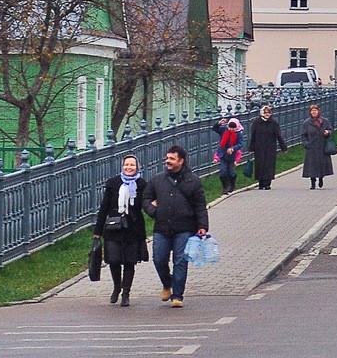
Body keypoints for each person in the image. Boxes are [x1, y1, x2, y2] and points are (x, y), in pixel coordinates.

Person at [143, 144, 208, 308]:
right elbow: (145, 199)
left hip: (184, 228)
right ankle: (167, 283)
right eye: (167, 158)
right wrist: (153, 211)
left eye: (172, 158)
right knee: (159, 259)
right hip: (162, 228)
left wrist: (202, 225)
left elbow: (200, 205)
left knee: (180, 261)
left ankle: (177, 295)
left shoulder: (192, 181)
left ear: (181, 161)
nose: (168, 161)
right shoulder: (157, 180)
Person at [95, 154, 148, 307]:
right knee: (114, 260)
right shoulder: (113, 183)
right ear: (122, 166)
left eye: (132, 165)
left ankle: (126, 293)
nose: (129, 168)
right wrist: (97, 231)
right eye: (126, 165)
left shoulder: (142, 184)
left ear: (137, 167)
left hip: (133, 228)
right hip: (113, 228)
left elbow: (146, 205)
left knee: (130, 262)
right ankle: (117, 287)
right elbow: (104, 208)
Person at [249, 105, 287, 190]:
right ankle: (260, 183)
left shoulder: (273, 123)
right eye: (265, 113)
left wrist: (283, 147)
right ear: (262, 113)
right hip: (259, 147)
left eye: (269, 113)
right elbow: (253, 136)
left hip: (270, 147)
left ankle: (267, 183)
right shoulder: (256, 122)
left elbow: (278, 135)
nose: (267, 114)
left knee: (269, 165)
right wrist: (251, 148)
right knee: (260, 164)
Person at [301, 103, 334, 190]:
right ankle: (312, 183)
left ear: (318, 111)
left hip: (322, 146)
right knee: (312, 166)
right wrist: (306, 144)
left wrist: (328, 132)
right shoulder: (307, 123)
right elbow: (303, 135)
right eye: (312, 111)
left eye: (315, 110)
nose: (314, 112)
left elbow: (330, 129)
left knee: (322, 164)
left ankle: (321, 178)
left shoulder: (324, 121)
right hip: (312, 147)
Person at [211, 117, 244, 195]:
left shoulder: (238, 134)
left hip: (232, 156)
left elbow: (240, 144)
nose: (231, 129)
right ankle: (225, 187)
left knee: (231, 172)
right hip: (223, 154)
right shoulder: (224, 130)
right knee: (223, 172)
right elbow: (214, 128)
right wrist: (219, 123)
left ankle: (232, 184)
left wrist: (233, 148)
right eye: (230, 127)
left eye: (233, 128)